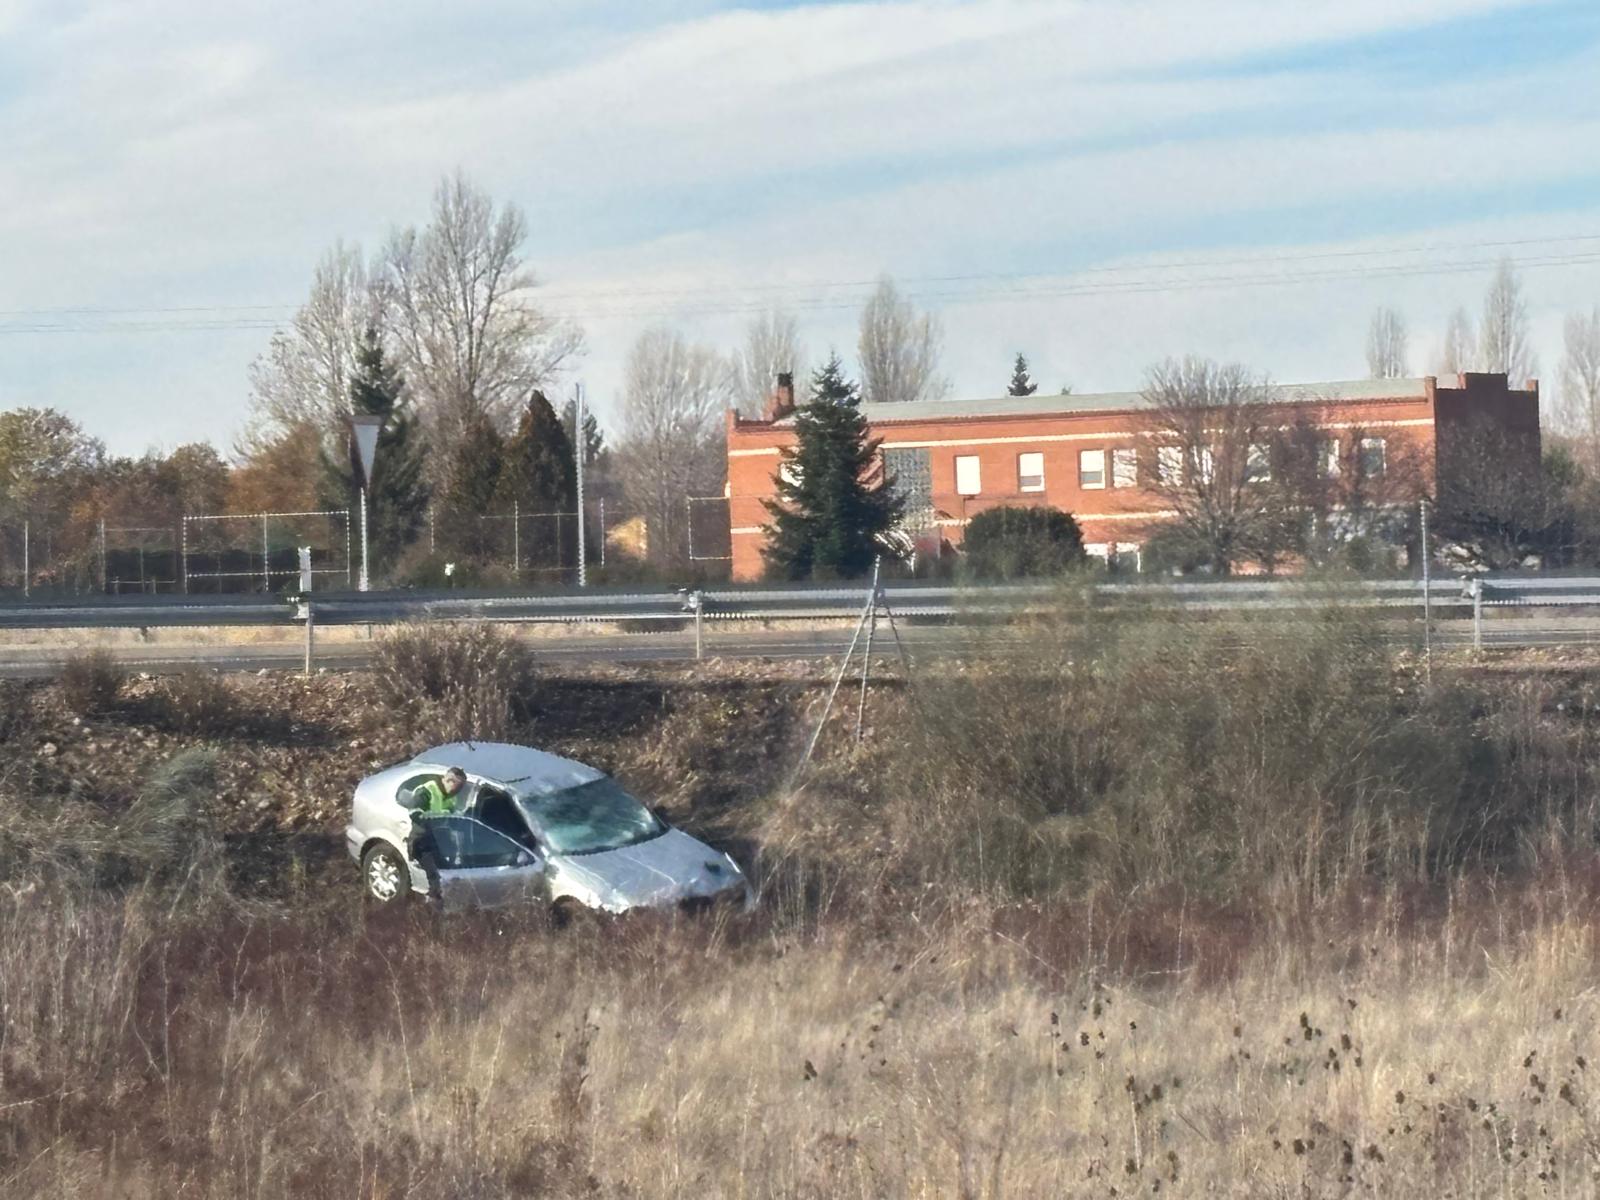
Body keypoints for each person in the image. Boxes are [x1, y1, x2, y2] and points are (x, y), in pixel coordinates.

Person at [410, 767, 467, 897]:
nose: (459, 791)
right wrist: (431, 819)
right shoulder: (427, 791)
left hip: (439, 842)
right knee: (434, 876)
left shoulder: (451, 797)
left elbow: (452, 817)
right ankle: (431, 903)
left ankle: (445, 899)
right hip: (422, 842)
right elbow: (414, 812)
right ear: (449, 781)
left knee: (448, 872)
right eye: (458, 787)